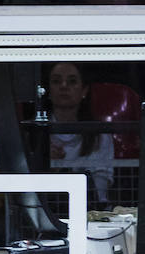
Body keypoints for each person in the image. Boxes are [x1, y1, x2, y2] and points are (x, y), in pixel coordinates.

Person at [45, 62, 114, 207]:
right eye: (56, 81)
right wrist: (46, 166)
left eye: (72, 81)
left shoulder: (100, 135)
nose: (64, 86)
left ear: (84, 91)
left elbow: (101, 188)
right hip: (46, 210)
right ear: (48, 91)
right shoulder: (35, 133)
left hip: (89, 210)